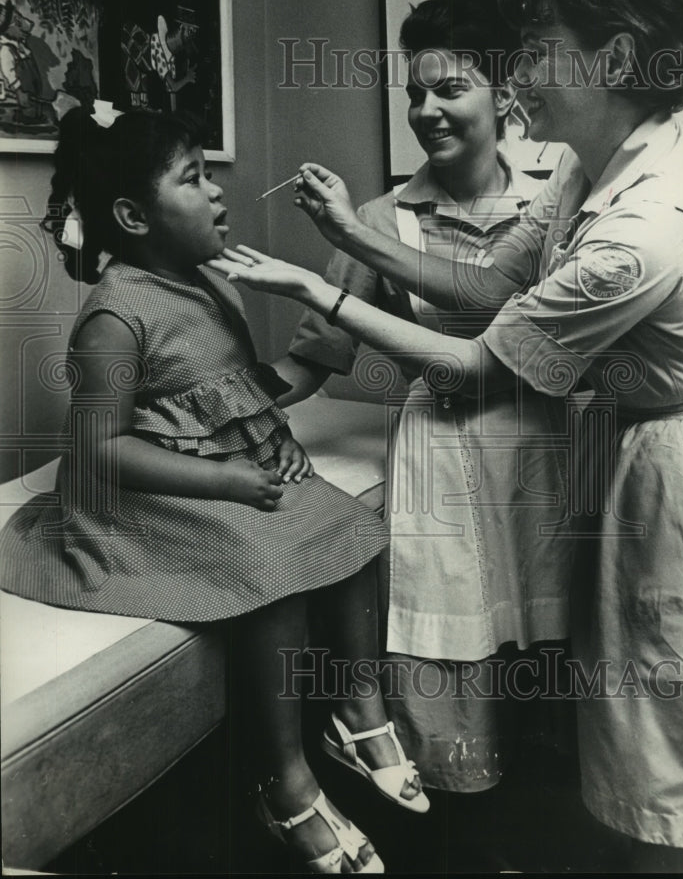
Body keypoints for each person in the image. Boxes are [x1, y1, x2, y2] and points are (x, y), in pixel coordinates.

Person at [210, 0, 683, 873]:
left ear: (610, 56)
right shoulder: (593, 167)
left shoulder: (640, 230)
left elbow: (471, 358)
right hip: (606, 446)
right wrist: (340, 256)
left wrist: (313, 281)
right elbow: (487, 290)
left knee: (673, 731)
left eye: (530, 53)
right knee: (623, 713)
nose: (517, 75)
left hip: (663, 468)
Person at [0, 105, 431, 876]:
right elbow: (100, 449)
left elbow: (229, 395)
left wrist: (271, 445)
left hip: (209, 468)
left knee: (350, 531)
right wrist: (227, 478)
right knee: (274, 573)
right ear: (133, 215)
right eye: (193, 178)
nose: (219, 191)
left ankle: (358, 711)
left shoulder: (209, 286)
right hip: (132, 499)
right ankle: (284, 782)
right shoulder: (114, 315)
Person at [272, 0, 573, 793]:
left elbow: (519, 309)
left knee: (551, 642)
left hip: (547, 447)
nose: (427, 110)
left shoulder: (554, 196)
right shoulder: (379, 216)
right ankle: (458, 815)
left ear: (504, 91)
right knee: (450, 638)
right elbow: (311, 362)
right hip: (441, 458)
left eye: (450, 89)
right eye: (414, 92)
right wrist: (213, 410)